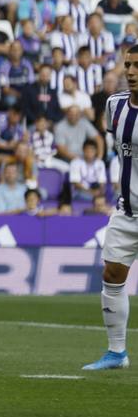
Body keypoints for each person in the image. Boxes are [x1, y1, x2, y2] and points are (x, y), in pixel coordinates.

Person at [84, 46, 138, 371]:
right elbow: (118, 149)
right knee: (112, 274)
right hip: (128, 211)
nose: (131, 71)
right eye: (128, 65)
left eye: (137, 66)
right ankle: (117, 352)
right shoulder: (114, 106)